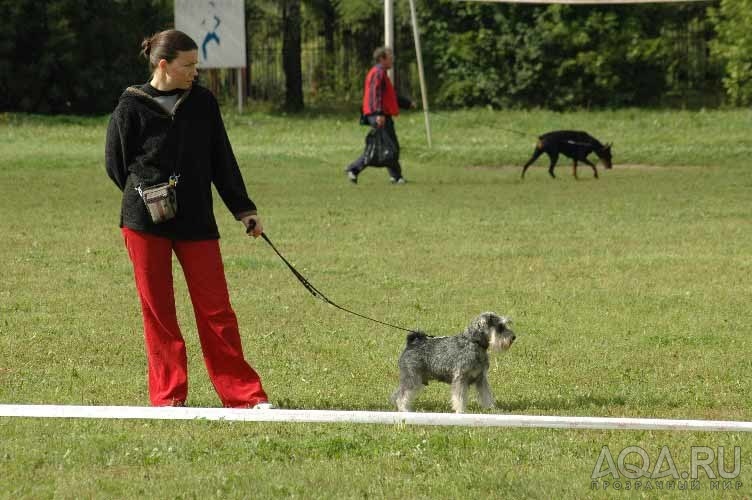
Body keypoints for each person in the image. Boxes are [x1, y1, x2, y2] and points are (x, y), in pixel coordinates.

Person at [105, 30, 272, 409]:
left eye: (196, 65)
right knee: (159, 313)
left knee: (217, 311)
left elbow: (222, 159)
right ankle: (169, 398)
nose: (194, 72)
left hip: (197, 220)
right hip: (145, 224)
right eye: (188, 65)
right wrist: (147, 193)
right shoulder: (131, 106)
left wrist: (243, 209)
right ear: (163, 64)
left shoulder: (203, 103)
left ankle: (244, 396)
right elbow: (116, 165)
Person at [346, 46, 414, 185]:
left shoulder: (380, 73)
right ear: (382, 59)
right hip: (378, 114)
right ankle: (353, 169)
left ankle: (396, 176)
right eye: (390, 58)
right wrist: (379, 113)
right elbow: (375, 95)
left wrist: (407, 104)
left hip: (380, 114)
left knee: (389, 146)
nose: (392, 60)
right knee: (384, 147)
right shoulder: (378, 73)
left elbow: (390, 96)